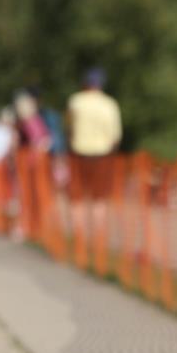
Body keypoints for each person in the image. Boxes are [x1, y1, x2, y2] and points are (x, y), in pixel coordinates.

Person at [65, 67, 122, 269]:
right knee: (99, 200)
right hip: (103, 155)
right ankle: (98, 244)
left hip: (78, 153)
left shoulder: (75, 101)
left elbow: (69, 128)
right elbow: (115, 136)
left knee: (77, 199)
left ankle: (79, 243)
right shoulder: (110, 105)